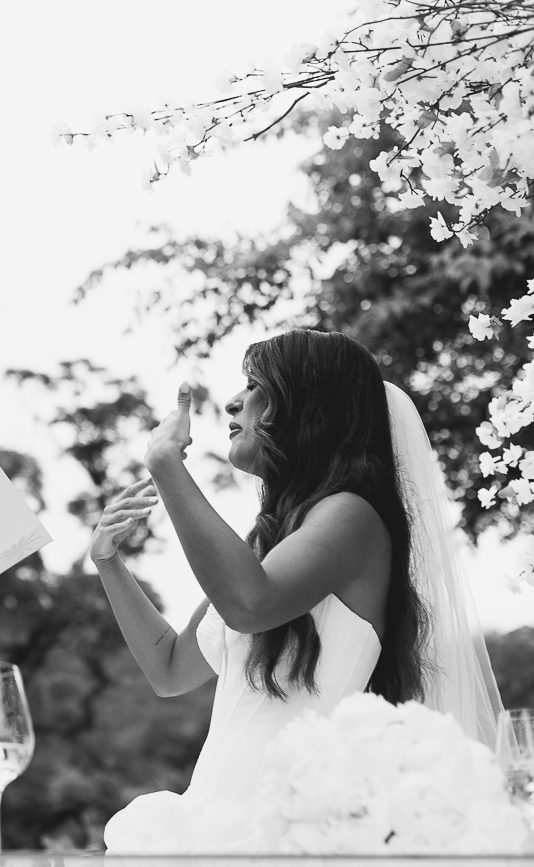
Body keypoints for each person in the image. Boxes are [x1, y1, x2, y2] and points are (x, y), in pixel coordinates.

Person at [89, 329, 503, 854]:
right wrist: (109, 564)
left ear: (309, 407)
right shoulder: (269, 541)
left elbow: (249, 604)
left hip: (281, 835)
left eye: (257, 385)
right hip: (206, 824)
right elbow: (170, 669)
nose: (234, 401)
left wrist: (167, 466)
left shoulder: (351, 516)